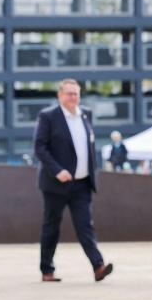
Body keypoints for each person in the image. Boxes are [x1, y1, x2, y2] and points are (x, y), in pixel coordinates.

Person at [34, 79, 113, 282]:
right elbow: (40, 147)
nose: (73, 98)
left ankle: (98, 266)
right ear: (60, 95)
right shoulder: (48, 116)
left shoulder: (86, 114)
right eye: (69, 94)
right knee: (51, 226)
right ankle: (47, 270)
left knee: (85, 225)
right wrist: (57, 170)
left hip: (82, 183)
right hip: (55, 183)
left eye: (76, 94)